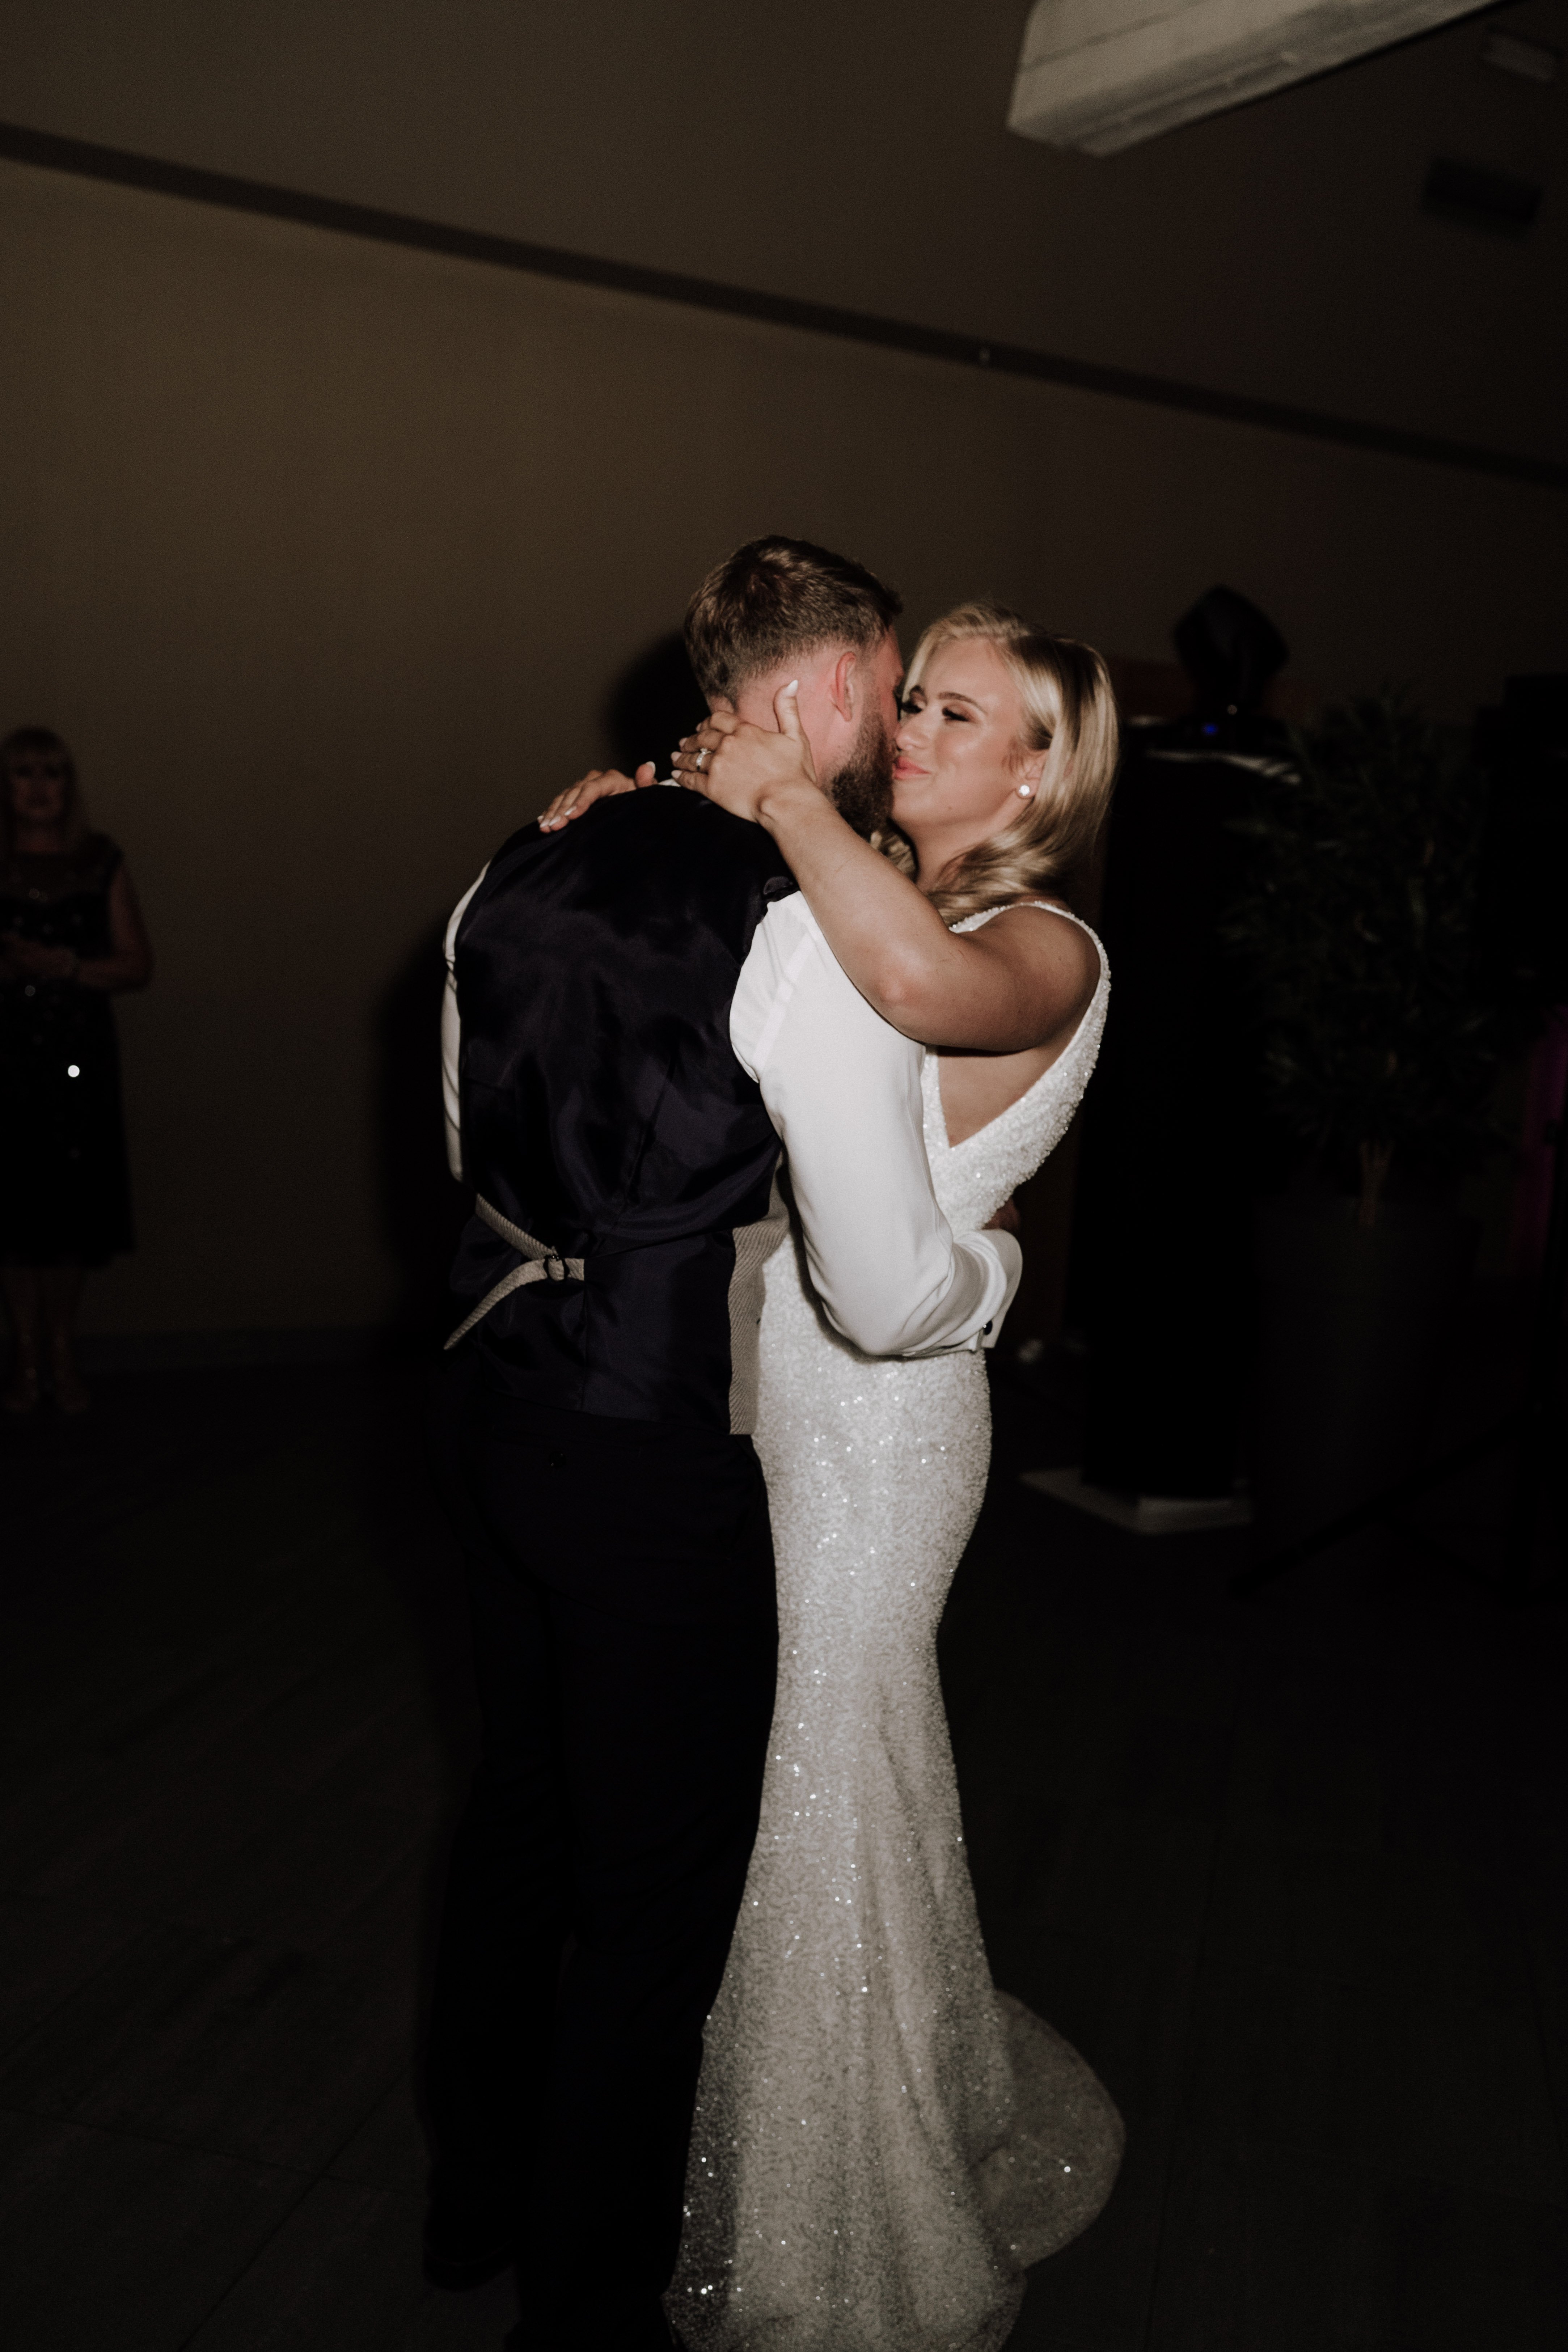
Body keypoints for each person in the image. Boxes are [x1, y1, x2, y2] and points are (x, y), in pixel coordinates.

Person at [424, 539, 1023, 2352]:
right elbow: (873, 1272)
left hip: (474, 1389)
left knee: (511, 1819)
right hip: (649, 1446)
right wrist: (988, 1272)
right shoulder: (795, 920)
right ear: (829, 690)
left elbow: (463, 1125)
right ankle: (585, 2306)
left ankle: (468, 2207)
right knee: (651, 1897)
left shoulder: (516, 856)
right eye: (892, 684)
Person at [540, 591, 1126, 2352]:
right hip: (773, 1381)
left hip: (888, 1422)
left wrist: (787, 795)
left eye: (961, 715)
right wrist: (624, 824)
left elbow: (911, 989)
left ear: (1043, 769)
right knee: (796, 1755)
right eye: (918, 702)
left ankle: (837, 2204)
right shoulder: (874, 876)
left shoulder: (1048, 941)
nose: (917, 731)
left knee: (821, 1760)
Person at [0, 728, 153, 1414]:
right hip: (5, 1052)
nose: (38, 787)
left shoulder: (98, 860)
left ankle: (61, 1353)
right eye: (24, 773)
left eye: (51, 773)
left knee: (65, 1207)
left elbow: (136, 962)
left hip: (72, 1054)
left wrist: (64, 967)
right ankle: (26, 1361)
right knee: (13, 1205)